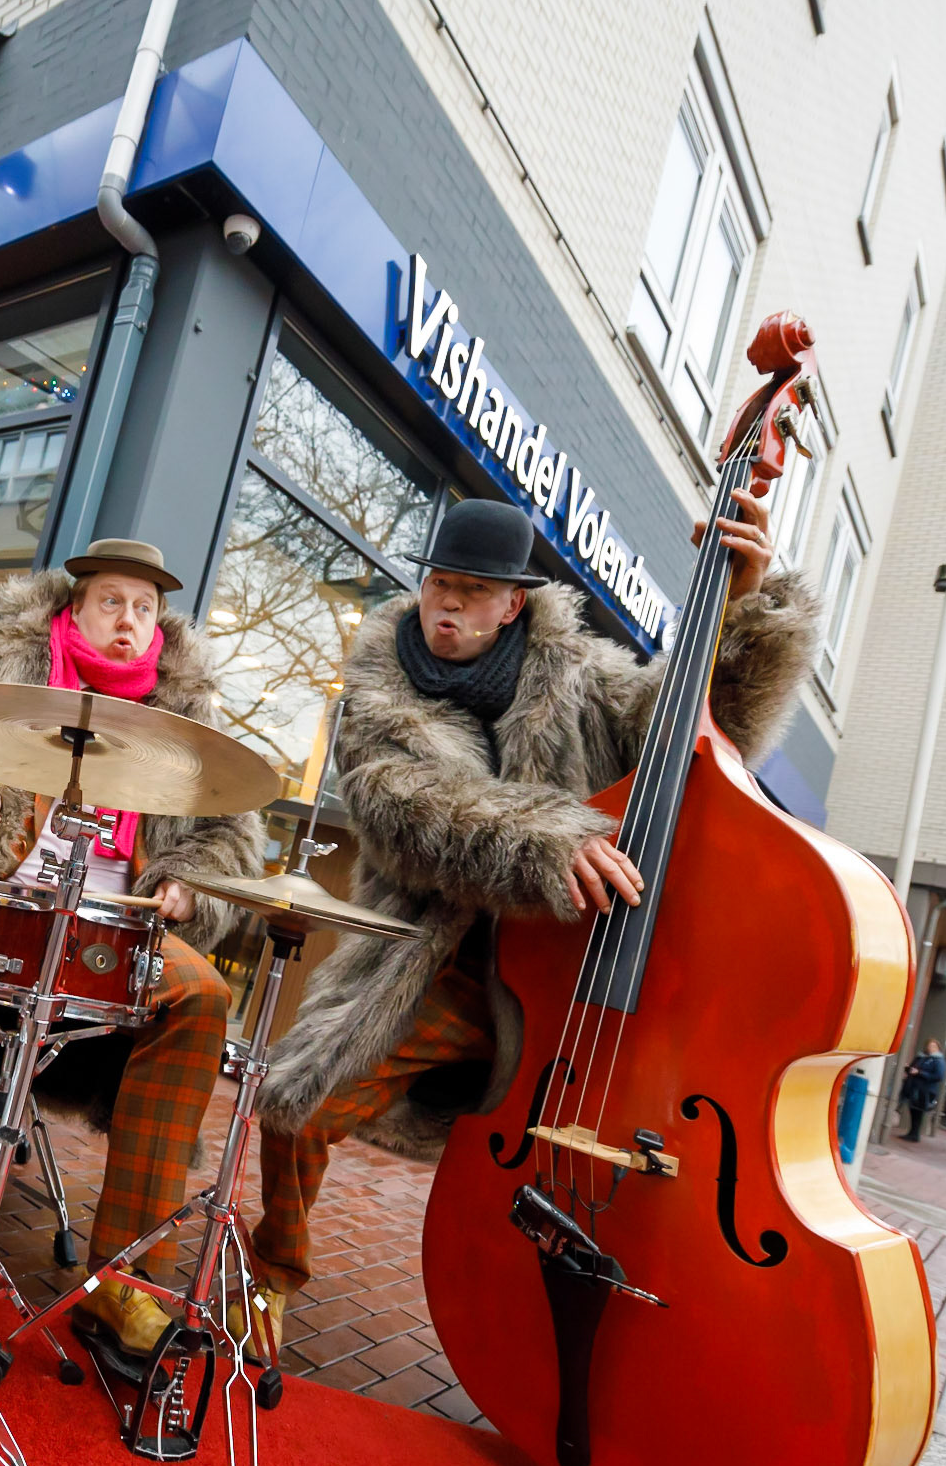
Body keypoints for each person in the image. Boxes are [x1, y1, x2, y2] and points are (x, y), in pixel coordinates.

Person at [243, 494, 821, 1351]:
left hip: (569, 973)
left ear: (511, 603)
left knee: (615, 1159)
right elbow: (406, 806)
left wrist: (742, 610)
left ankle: (598, 1333)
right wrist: (547, 837)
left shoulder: (578, 672)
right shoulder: (376, 690)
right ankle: (272, 1274)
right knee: (300, 1103)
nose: (446, 603)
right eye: (440, 581)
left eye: (472, 591)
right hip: (439, 964)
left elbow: (696, 733)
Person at [0, 538, 263, 1370]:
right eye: (111, 602)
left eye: (144, 608)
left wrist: (187, 885)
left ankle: (127, 1284)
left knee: (201, 993)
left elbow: (229, 840)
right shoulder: (6, 664)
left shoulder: (188, 719)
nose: (129, 620)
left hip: (108, 937)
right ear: (73, 608)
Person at [900, 1039, 946, 1141]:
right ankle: (912, 1133)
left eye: (933, 1046)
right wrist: (908, 1068)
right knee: (912, 1110)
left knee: (918, 1112)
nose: (930, 1048)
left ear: (938, 1048)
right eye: (929, 1046)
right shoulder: (921, 1057)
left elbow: (938, 1076)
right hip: (914, 1087)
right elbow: (913, 1068)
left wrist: (920, 1073)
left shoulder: (938, 1061)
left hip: (924, 1090)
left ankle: (915, 1134)